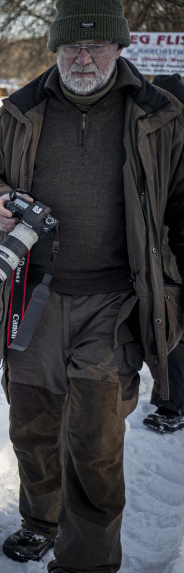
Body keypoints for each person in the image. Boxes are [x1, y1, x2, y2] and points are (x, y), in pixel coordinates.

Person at [0, 0, 184, 571]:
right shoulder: (19, 111)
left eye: (96, 46)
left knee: (95, 440)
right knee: (32, 426)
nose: (83, 59)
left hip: (115, 304)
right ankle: (41, 520)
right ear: (55, 48)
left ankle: (86, 561)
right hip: (31, 297)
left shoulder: (160, 115)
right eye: (70, 47)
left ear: (120, 46)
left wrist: (175, 291)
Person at [146, 73, 184, 434]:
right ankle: (170, 401)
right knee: (169, 326)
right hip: (164, 252)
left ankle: (172, 405)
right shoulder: (152, 137)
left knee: (172, 327)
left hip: (172, 254)